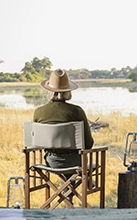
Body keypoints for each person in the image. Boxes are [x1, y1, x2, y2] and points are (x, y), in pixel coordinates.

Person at [33, 69, 94, 204]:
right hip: (75, 162)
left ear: (49, 90)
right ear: (68, 91)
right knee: (79, 161)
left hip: (51, 162)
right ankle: (72, 190)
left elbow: (36, 143)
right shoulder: (77, 111)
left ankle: (67, 193)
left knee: (68, 161)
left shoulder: (39, 112)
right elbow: (88, 144)